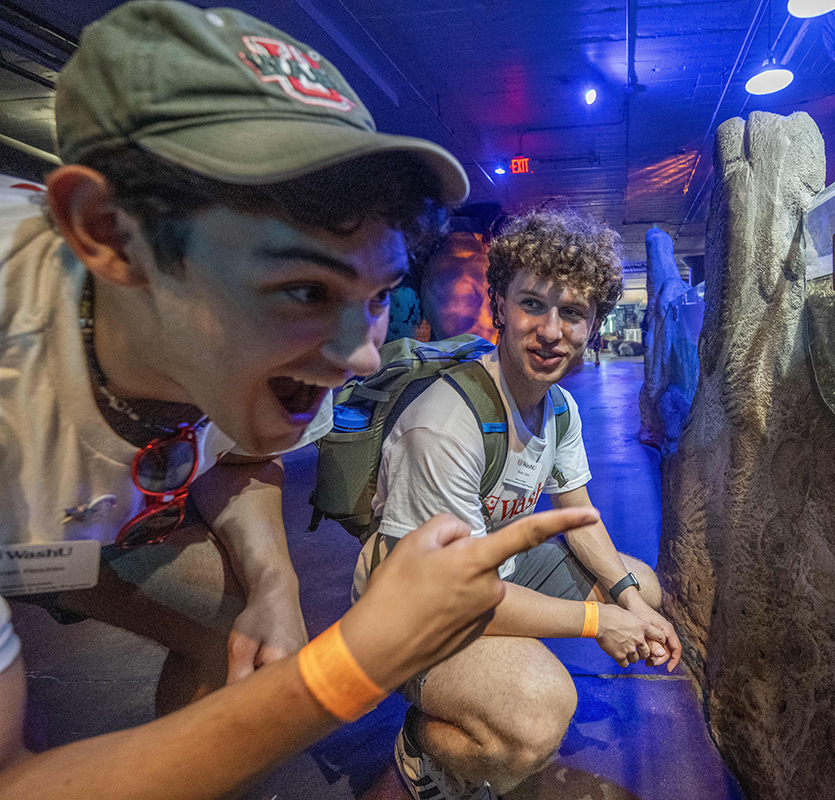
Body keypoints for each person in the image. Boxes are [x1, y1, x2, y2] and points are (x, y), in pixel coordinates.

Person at [0, 2, 596, 797]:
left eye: (379, 293)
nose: (357, 357)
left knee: (234, 623)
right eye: (303, 287)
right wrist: (349, 665)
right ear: (107, 231)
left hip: (83, 512)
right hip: (28, 474)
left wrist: (276, 587)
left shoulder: (305, 351)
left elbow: (243, 460)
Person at [353, 210, 683, 800]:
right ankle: (422, 746)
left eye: (573, 313)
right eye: (533, 304)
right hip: (412, 606)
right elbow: (454, 595)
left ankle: (484, 682)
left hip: (487, 573)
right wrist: (600, 621)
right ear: (500, 306)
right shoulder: (446, 424)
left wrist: (631, 602)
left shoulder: (558, 409)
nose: (551, 331)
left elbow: (580, 520)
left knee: (644, 588)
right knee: (537, 717)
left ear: (594, 325)